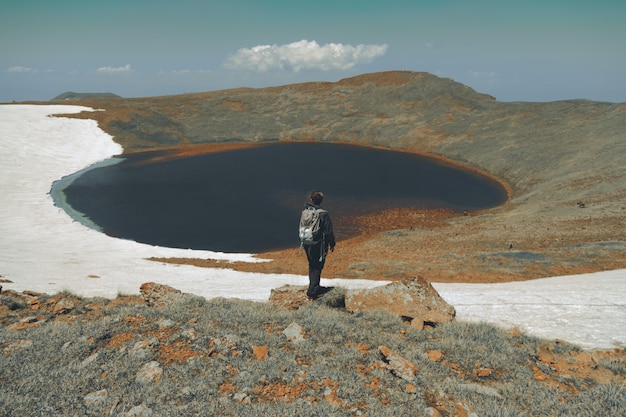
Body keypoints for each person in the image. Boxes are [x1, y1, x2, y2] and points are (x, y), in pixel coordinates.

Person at [303, 191, 336, 300]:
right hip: (319, 244)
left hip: (307, 242)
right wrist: (332, 243)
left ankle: (312, 286)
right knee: (318, 265)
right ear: (321, 200)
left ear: (311, 199)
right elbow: (328, 231)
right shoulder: (323, 213)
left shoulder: (306, 212)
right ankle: (313, 292)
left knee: (312, 264)